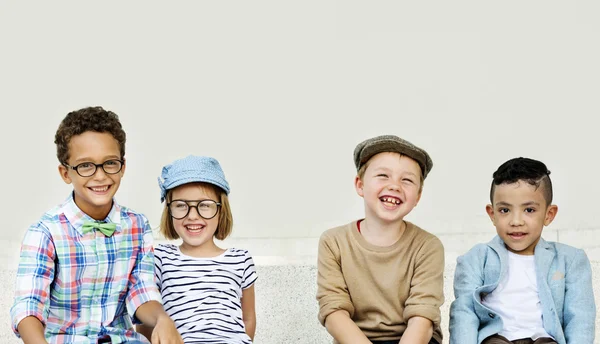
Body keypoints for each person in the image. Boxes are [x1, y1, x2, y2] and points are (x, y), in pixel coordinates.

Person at [10, 106, 182, 343]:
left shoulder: (137, 225)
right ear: (65, 173)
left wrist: (163, 319)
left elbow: (141, 292)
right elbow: (29, 307)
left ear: (123, 166)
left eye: (109, 163)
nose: (100, 176)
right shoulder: (45, 232)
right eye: (85, 165)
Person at [449, 157, 596, 344]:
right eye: (504, 210)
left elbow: (580, 318)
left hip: (545, 339)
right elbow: (464, 313)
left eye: (529, 210)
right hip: (496, 339)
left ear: (548, 215)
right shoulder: (475, 259)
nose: (516, 221)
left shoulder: (570, 260)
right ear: (492, 214)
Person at [317, 135, 444, 344]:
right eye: (383, 175)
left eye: (407, 180)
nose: (394, 186)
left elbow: (422, 317)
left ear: (418, 197)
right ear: (360, 185)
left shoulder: (428, 246)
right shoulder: (334, 242)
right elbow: (334, 312)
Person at [137, 155, 257, 343]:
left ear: (221, 210)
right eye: (181, 205)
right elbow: (146, 322)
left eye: (205, 205)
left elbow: (248, 319)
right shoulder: (161, 258)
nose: (193, 216)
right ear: (169, 211)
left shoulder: (240, 260)